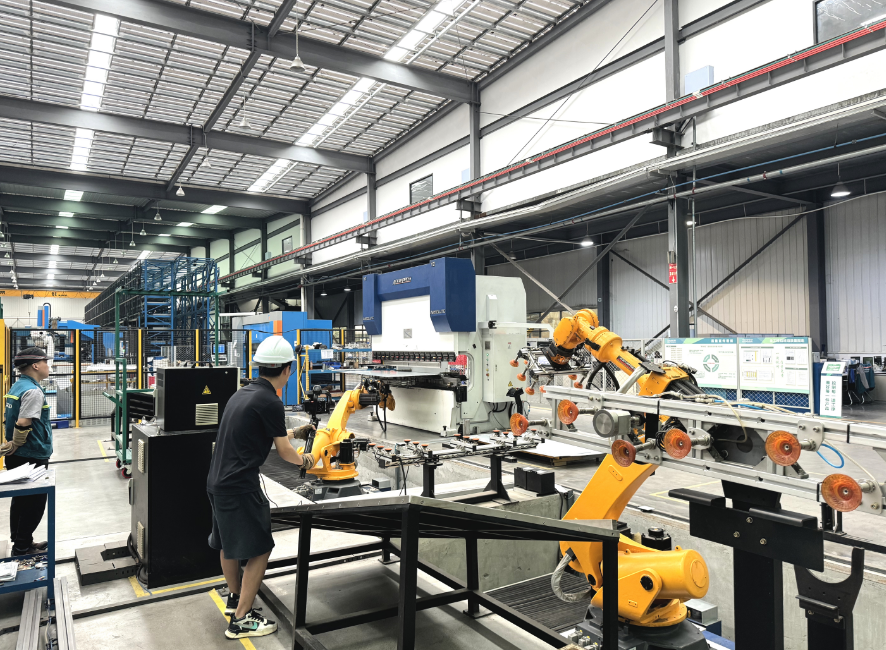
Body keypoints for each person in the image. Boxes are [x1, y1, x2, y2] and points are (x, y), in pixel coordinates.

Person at [206, 335, 316, 640]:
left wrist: (294, 432)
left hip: (217, 482)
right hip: (240, 486)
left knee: (228, 544)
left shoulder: (243, 394)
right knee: (261, 548)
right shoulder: (271, 401)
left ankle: (234, 599)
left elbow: (255, 434)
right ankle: (241, 620)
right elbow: (284, 452)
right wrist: (305, 460)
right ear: (287, 370)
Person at [0, 347, 53, 556]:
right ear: (35, 365)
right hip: (31, 454)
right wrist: (16, 443)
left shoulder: (17, 386)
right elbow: (23, 422)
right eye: (46, 362)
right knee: (34, 502)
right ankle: (22, 548)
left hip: (19, 456)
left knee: (21, 499)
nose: (48, 366)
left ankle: (22, 541)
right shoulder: (33, 391)